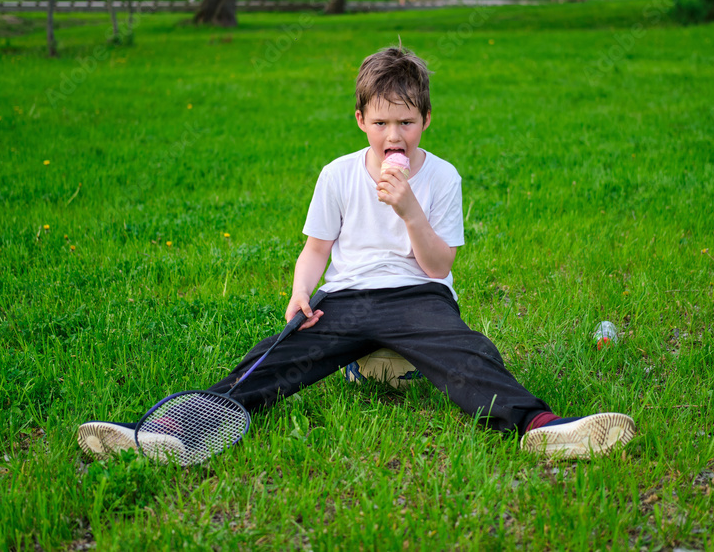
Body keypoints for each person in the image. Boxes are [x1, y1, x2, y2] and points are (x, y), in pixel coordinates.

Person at [78, 46, 636, 462]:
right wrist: (301, 292)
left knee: (469, 357)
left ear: (426, 120)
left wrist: (410, 210)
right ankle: (171, 433)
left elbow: (439, 267)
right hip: (345, 299)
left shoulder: (442, 177)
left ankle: (541, 427)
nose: (394, 135)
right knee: (274, 356)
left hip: (419, 297)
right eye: (381, 122)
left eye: (407, 122)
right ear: (360, 121)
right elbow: (315, 248)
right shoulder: (338, 174)